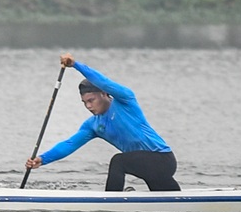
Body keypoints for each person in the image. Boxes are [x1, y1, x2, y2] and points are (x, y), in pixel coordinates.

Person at [26, 55, 178, 191]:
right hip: (144, 166)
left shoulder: (125, 100)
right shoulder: (93, 125)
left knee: (118, 161)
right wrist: (42, 159)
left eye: (91, 100)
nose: (88, 106)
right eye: (84, 102)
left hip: (162, 160)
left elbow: (103, 82)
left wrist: (76, 65)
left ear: (104, 94)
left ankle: (112, 202)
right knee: (167, 210)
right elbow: (70, 144)